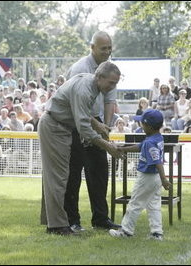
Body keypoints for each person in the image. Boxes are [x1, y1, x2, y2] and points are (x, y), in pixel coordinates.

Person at [38, 61, 124, 235]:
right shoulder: (85, 89)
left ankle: (54, 222)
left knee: (57, 177)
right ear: (100, 77)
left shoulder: (89, 83)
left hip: (60, 127)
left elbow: (76, 108)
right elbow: (84, 129)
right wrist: (107, 146)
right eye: (111, 82)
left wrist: (97, 124)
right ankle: (56, 226)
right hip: (55, 127)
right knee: (59, 178)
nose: (113, 86)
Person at [60, 31, 120, 233]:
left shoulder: (110, 69)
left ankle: (101, 219)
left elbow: (110, 101)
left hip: (97, 122)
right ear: (92, 47)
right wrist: (95, 125)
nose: (108, 51)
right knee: (74, 174)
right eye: (104, 48)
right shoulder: (79, 69)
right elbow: (77, 109)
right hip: (76, 124)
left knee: (100, 173)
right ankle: (72, 220)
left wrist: (106, 128)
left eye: (110, 48)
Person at [108, 109, 171, 240]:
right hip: (155, 179)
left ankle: (126, 231)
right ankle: (157, 233)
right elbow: (139, 146)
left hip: (147, 177)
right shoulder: (156, 137)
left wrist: (164, 179)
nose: (141, 126)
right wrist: (122, 149)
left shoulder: (150, 142)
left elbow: (157, 161)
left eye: (142, 124)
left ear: (149, 126)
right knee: (154, 205)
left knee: (135, 203)